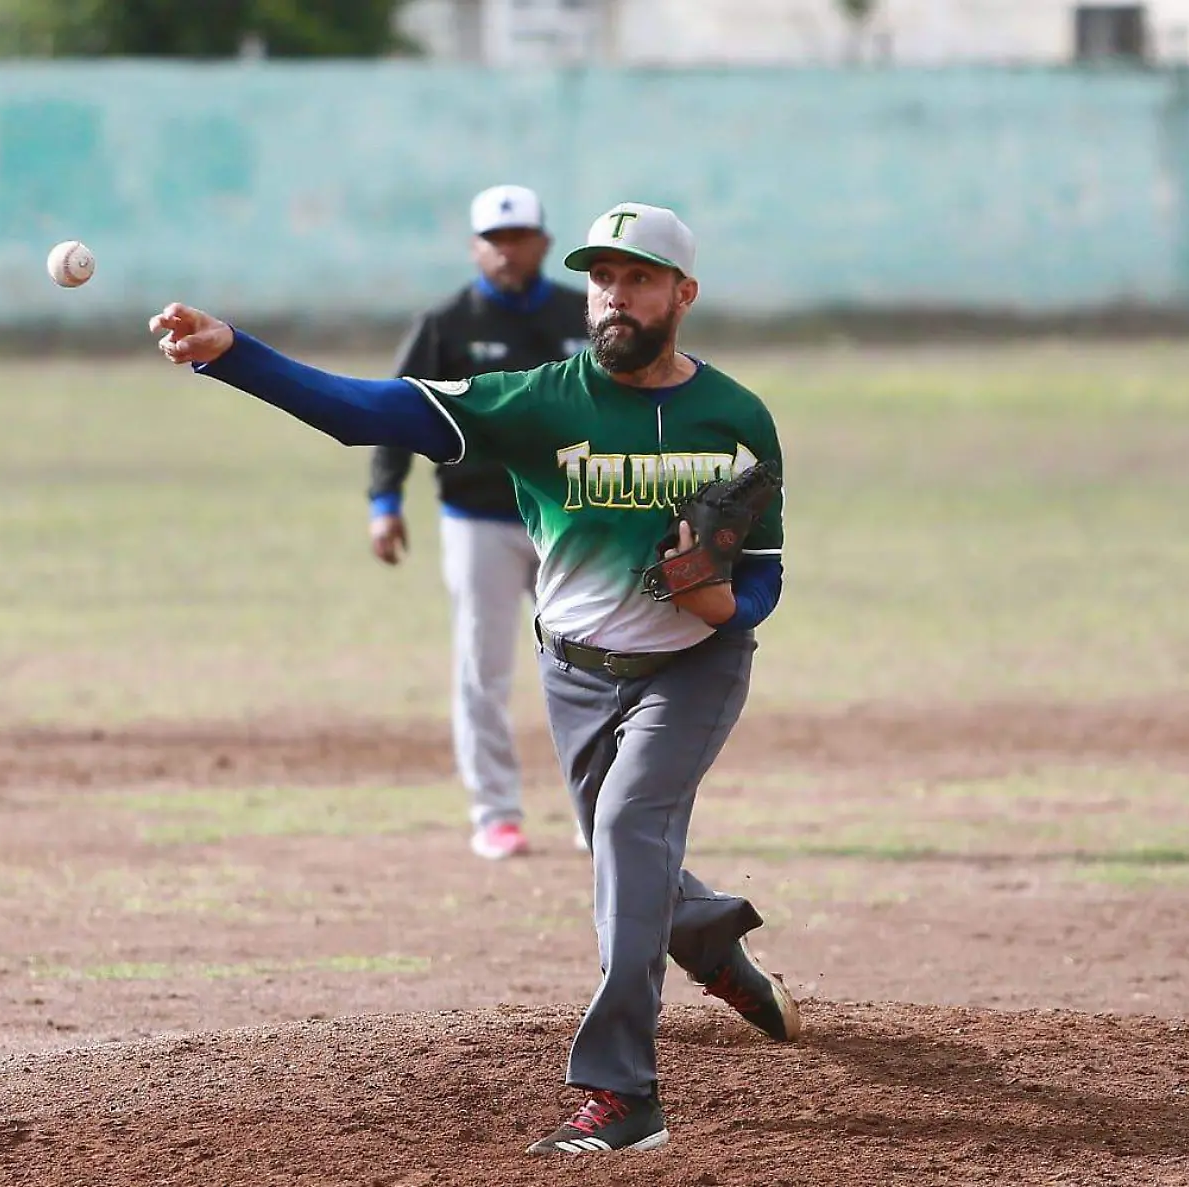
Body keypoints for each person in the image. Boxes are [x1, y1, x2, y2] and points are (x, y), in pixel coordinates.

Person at [148, 201, 800, 1157]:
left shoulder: (736, 415)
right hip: (577, 675)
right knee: (619, 843)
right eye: (601, 278)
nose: (614, 297)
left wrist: (725, 610)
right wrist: (232, 352)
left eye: (638, 278)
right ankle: (703, 937)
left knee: (627, 825)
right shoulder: (539, 401)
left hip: (694, 671)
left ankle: (624, 1096)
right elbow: (366, 409)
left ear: (683, 294)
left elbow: (768, 569)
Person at [368, 184, 588, 861]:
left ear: (544, 243)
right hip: (478, 518)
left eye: (519, 236)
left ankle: (601, 812)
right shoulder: (446, 324)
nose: (506, 249)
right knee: (482, 669)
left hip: (571, 517)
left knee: (590, 670)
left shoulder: (580, 316)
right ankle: (496, 813)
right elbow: (393, 409)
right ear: (474, 248)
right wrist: (385, 500)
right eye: (494, 239)